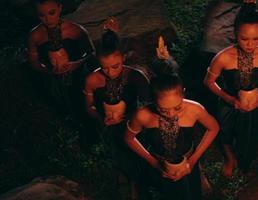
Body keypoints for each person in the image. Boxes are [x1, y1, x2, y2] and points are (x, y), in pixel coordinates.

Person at [204, 2, 258, 176]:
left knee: (250, 133)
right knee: (226, 131)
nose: (250, 44)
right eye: (244, 38)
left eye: (256, 38)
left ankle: (247, 160)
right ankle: (230, 158)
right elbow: (208, 82)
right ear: (235, 34)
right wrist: (229, 99)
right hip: (229, 102)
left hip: (253, 104)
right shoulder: (223, 58)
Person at [125, 74, 219, 200]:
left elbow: (214, 128)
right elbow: (128, 138)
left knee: (193, 193)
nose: (171, 114)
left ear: (183, 94)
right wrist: (155, 163)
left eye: (177, 107)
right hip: (161, 165)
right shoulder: (142, 115)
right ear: (153, 100)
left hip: (188, 160)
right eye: (163, 110)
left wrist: (192, 161)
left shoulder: (195, 109)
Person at [83, 26, 150, 199]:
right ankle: (122, 175)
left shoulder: (135, 76)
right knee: (115, 144)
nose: (110, 72)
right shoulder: (93, 79)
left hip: (134, 123)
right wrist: (101, 118)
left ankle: (136, 181)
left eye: (115, 66)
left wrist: (129, 118)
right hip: (108, 124)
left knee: (133, 146)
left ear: (123, 57)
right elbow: (89, 107)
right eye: (105, 68)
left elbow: (148, 106)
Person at [27, 0, 95, 116]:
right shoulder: (35, 35)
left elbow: (91, 53)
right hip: (52, 80)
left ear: (60, 8)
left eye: (51, 13)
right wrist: (48, 70)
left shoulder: (75, 30)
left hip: (78, 77)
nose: (48, 19)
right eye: (42, 15)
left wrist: (76, 64)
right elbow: (33, 61)